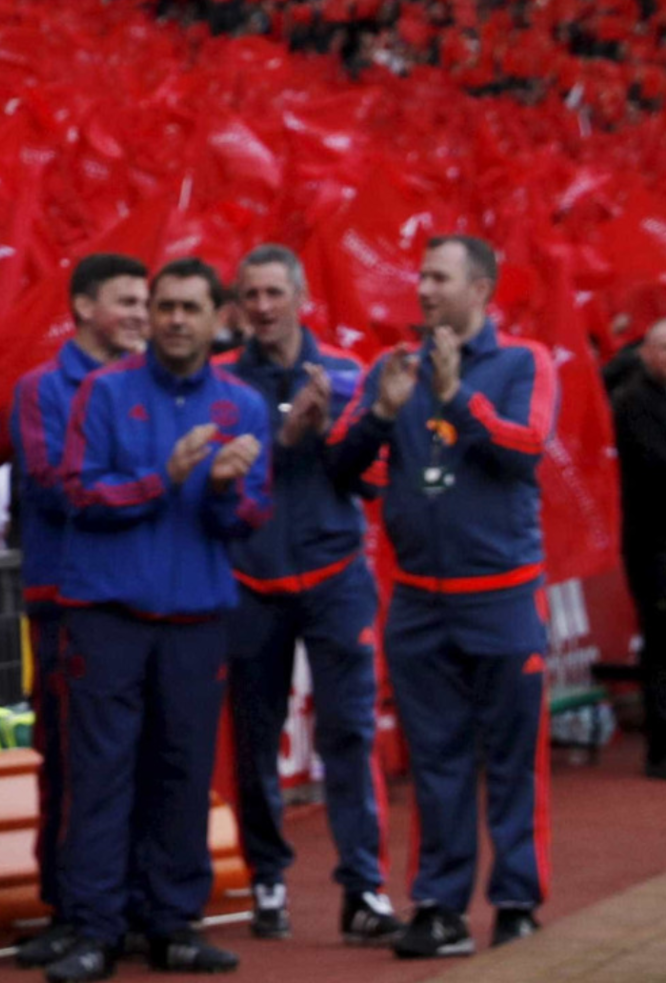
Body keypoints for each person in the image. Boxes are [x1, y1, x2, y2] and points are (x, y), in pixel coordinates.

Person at [327, 236, 557, 958]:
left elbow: (524, 453)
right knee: (435, 759)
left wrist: (456, 398)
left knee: (514, 757)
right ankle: (439, 904)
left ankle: (517, 898)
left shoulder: (526, 361)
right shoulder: (389, 370)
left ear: (481, 288)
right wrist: (377, 416)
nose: (421, 290)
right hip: (420, 602)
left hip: (504, 596)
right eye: (420, 277)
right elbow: (340, 467)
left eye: (437, 278)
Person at [50, 257, 270, 982]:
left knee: (183, 773)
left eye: (191, 308)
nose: (175, 319)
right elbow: (78, 493)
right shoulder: (104, 392)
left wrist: (224, 490)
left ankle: (173, 923)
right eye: (164, 305)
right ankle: (94, 928)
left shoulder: (243, 405)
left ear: (217, 318)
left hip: (196, 618)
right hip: (108, 616)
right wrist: (165, 479)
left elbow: (247, 518)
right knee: (102, 773)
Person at [222, 246, 398, 945]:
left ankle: (366, 887)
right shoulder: (224, 385)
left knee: (349, 733)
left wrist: (343, 435)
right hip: (251, 579)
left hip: (334, 576)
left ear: (299, 297)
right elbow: (221, 476)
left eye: (273, 293)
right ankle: (268, 876)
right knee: (255, 737)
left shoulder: (349, 377)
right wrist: (283, 439)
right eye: (250, 295)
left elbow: (372, 482)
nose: (262, 307)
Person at [3, 251, 148, 970]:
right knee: (70, 762)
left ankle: (135, 908)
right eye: (128, 301)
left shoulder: (156, 384)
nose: (144, 316)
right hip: (64, 602)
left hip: (141, 602)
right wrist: (156, 479)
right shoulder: (40, 388)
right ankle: (73, 911)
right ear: (85, 306)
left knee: (144, 762)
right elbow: (57, 483)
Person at [610, 317, 666, 781]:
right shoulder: (632, 401)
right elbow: (655, 465)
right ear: (648, 353)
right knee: (661, 642)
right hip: (653, 543)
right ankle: (660, 749)